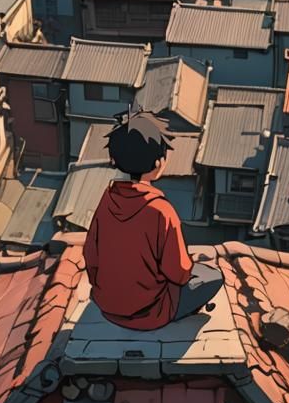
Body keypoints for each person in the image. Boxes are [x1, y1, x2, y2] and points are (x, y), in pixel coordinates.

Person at [84, 112, 223, 331]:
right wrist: (189, 263)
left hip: (108, 307)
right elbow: (179, 273)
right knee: (213, 276)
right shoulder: (161, 210)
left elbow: (90, 255)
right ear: (158, 162)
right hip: (150, 313)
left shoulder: (107, 199)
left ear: (115, 159)